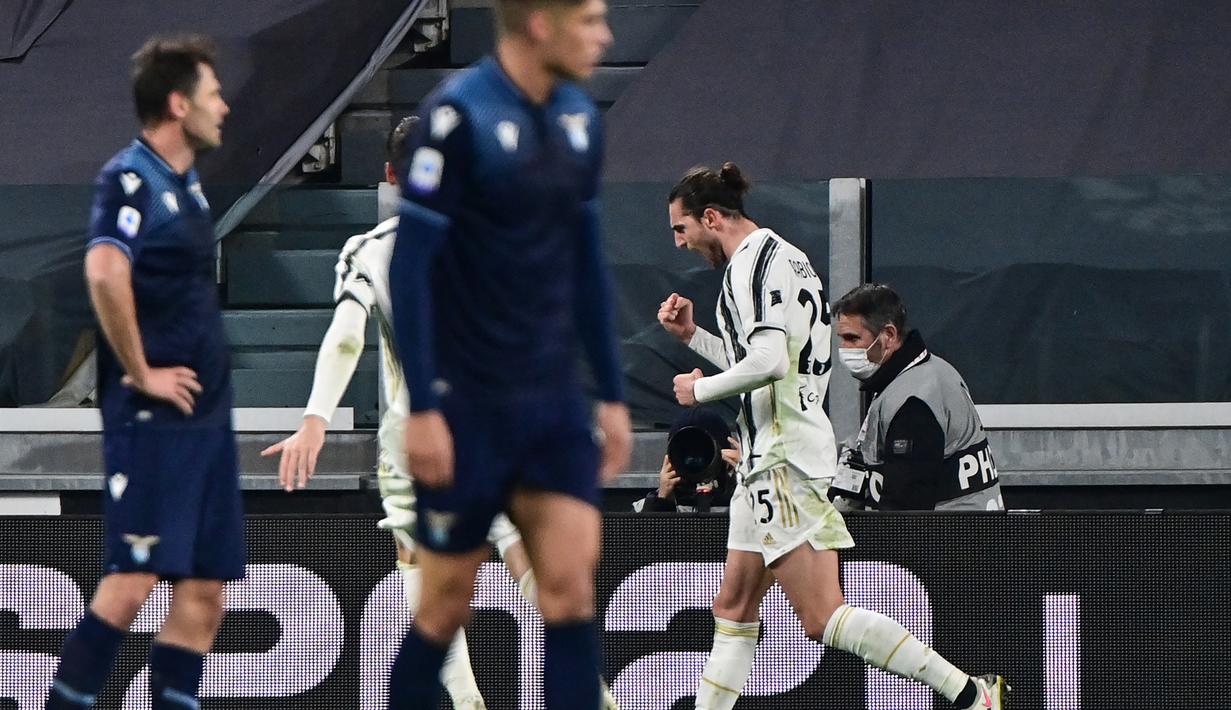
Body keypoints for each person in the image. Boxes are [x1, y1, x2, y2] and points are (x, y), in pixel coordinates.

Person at [260, 115, 618, 710]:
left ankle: (467, 698)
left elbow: (347, 336)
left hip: (419, 438)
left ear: (389, 177)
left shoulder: (373, 249)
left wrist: (316, 418)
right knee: (536, 567)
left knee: (430, 580)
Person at [657, 163, 1009, 710]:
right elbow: (771, 362)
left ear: (711, 217)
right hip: (769, 462)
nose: (680, 244)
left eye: (681, 229)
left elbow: (770, 362)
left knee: (822, 616)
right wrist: (694, 337)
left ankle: (969, 695)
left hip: (782, 462)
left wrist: (699, 394)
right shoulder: (790, 258)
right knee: (732, 607)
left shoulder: (749, 266)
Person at [381, 1, 632, 708]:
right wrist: (425, 409)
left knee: (570, 590)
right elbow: (410, 268)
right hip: (470, 409)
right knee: (443, 603)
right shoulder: (455, 118)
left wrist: (610, 396)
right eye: (588, 19)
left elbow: (586, 263)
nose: (604, 36)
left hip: (552, 406)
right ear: (539, 25)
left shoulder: (580, 121)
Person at [46, 35, 240, 709]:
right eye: (214, 94)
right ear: (179, 103)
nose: (224, 107)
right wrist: (141, 370)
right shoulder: (130, 177)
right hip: (155, 418)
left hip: (206, 419)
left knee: (204, 593)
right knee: (133, 583)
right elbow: (104, 268)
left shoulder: (185, 184)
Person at [830, 284, 1005, 511]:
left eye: (853, 339)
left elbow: (906, 513)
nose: (844, 349)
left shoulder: (914, 403)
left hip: (950, 541)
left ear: (889, 335)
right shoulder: (925, 372)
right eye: (842, 339)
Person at [634, 407, 739, 513]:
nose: (694, 459)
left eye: (704, 449)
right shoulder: (646, 507)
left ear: (724, 455)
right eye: (686, 450)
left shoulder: (742, 500)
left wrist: (748, 479)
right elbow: (636, 529)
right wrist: (661, 503)